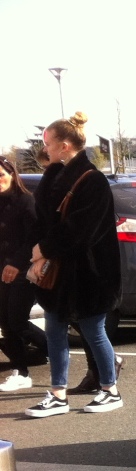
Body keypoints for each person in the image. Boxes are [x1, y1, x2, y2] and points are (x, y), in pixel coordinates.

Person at [25, 112, 122, 416]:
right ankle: (57, 393)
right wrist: (51, 172)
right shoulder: (59, 174)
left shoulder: (92, 180)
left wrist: (43, 248)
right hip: (64, 274)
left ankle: (110, 389)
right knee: (55, 330)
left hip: (90, 274)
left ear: (65, 146)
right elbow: (44, 214)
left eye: (50, 145)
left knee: (94, 330)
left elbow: (80, 230)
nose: (46, 151)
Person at [0, 156, 46, 391]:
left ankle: (21, 372)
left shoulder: (25, 200)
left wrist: (16, 263)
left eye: (1, 175)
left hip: (23, 269)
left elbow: (34, 237)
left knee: (15, 320)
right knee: (6, 321)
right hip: (2, 270)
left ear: (11, 175)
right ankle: (45, 349)